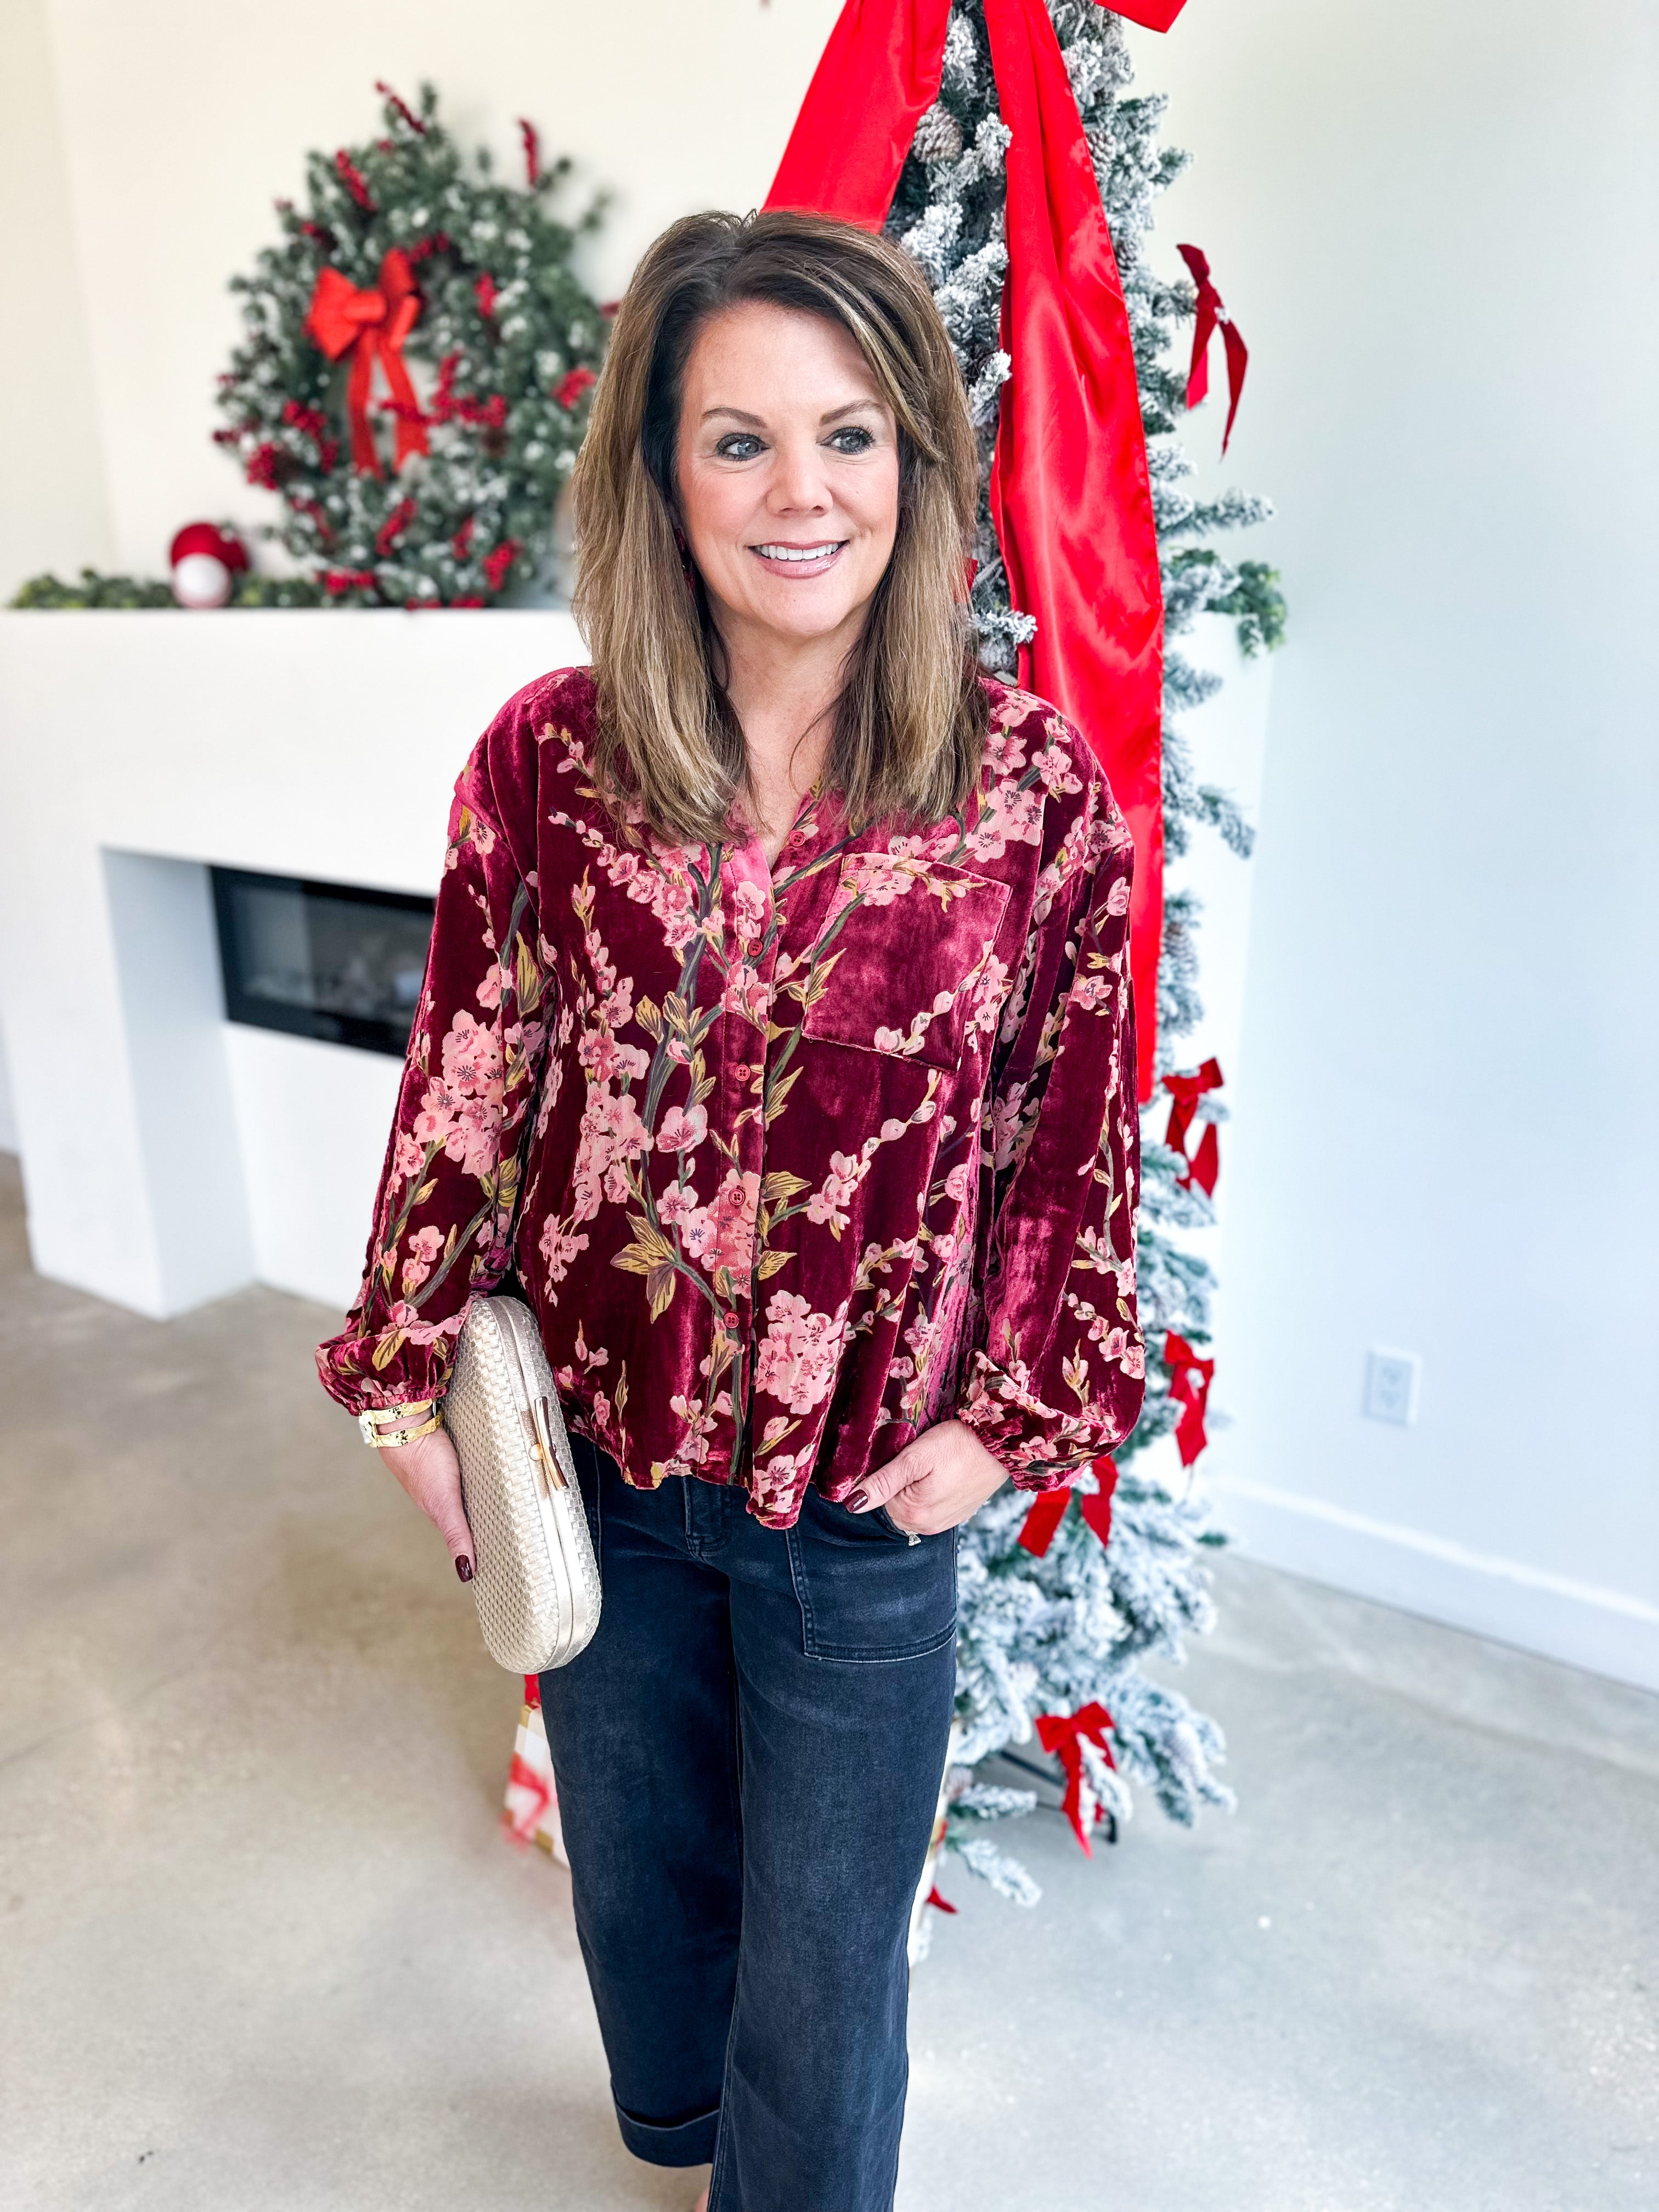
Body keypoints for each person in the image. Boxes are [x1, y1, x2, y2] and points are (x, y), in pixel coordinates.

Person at [316, 208, 1145, 2212]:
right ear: (660, 474)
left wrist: (1009, 1423)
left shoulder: (1031, 792)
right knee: (651, 1906)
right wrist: (404, 1380)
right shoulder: (549, 765)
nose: (803, 495)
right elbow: (474, 1075)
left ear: (921, 469)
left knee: (830, 1973)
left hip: (867, 1507)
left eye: (852, 437)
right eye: (741, 440)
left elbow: (1068, 1135)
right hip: (601, 1472)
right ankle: (687, 2154)